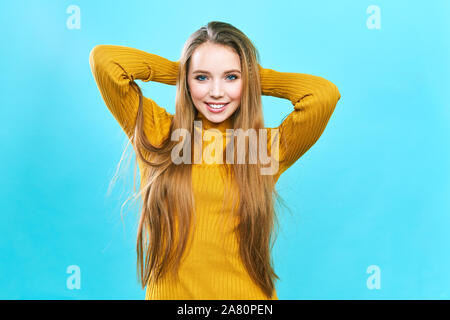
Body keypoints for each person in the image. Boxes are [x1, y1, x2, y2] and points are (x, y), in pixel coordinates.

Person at [89, 21, 341, 300]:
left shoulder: (262, 147)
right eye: (202, 78)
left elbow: (323, 95)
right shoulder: (159, 133)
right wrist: (182, 70)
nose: (217, 92)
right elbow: (105, 61)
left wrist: (251, 79)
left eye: (231, 77)